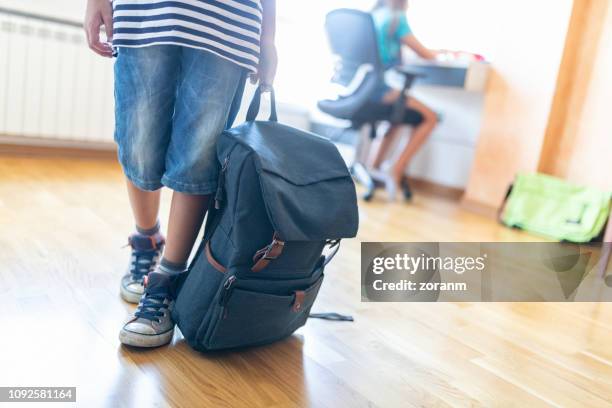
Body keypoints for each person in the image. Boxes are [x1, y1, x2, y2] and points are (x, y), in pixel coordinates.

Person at [84, 0, 277, 347]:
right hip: (144, 12)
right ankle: (148, 239)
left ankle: (168, 278)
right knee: (137, 142)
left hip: (228, 20)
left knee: (199, 156)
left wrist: (268, 38)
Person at [369, 0, 438, 200]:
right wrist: (439, 53)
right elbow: (426, 54)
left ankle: (374, 169)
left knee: (398, 116)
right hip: (378, 90)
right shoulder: (396, 18)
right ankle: (395, 170)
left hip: (359, 88)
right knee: (431, 117)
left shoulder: (375, 15)